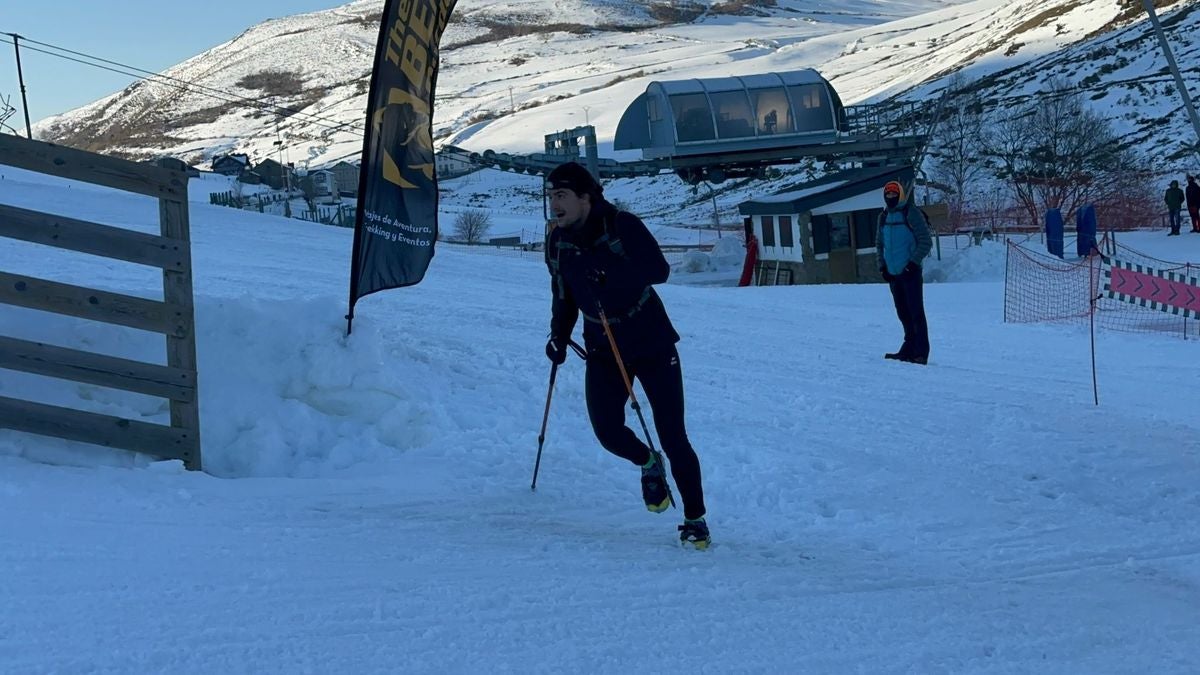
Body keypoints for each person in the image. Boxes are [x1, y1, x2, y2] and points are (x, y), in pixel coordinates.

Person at [542, 161, 710, 550]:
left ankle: (695, 518)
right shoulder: (558, 241)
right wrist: (559, 334)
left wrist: (610, 270)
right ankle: (648, 463)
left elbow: (659, 271)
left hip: (650, 339)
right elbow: (563, 293)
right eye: (551, 196)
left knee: (674, 435)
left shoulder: (621, 225)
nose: (555, 204)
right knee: (607, 430)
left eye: (562, 195)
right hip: (602, 344)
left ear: (586, 198)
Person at [876, 180, 933, 365]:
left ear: (900, 194)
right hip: (893, 275)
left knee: (916, 312)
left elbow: (925, 241)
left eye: (894, 194)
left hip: (910, 273)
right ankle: (908, 348)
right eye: (888, 194)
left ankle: (921, 352)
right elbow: (879, 244)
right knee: (903, 313)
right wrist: (882, 267)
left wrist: (913, 264)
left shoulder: (911, 213)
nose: (891, 197)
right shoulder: (883, 217)